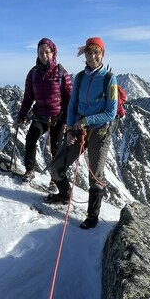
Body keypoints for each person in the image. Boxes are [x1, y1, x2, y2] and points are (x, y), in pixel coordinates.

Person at [46, 37, 118, 229]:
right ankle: (64, 194)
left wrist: (86, 121)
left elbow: (110, 113)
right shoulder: (80, 77)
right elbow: (72, 105)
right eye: (89, 52)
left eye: (96, 52)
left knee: (95, 175)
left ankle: (92, 217)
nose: (93, 56)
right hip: (78, 127)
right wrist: (69, 129)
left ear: (102, 54)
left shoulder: (109, 79)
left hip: (100, 131)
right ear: (85, 55)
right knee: (56, 167)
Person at [15, 38, 73, 183]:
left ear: (53, 53)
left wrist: (66, 120)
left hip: (58, 118)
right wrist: (21, 116)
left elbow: (70, 99)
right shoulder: (33, 74)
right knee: (30, 139)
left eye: (47, 52)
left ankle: (55, 179)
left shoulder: (61, 73)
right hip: (40, 115)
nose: (44, 55)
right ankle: (29, 170)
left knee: (56, 149)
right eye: (41, 53)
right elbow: (28, 97)